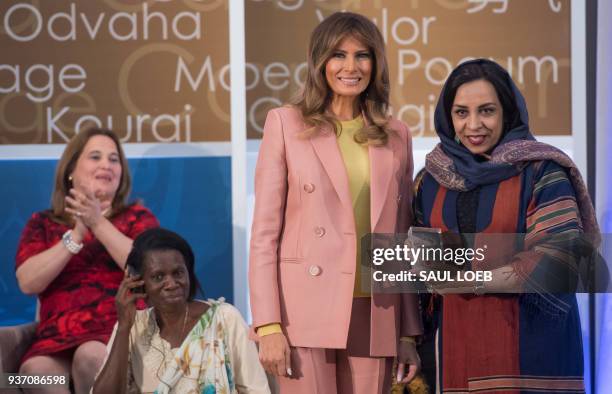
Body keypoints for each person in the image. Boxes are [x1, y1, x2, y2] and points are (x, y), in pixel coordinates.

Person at [249, 11, 422, 393]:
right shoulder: (286, 123)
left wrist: (409, 332)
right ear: (319, 62)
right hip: (303, 311)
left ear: (376, 64)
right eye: (338, 55)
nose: (351, 66)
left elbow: (402, 240)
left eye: (362, 55)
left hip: (376, 312)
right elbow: (264, 235)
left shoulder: (396, 135)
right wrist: (268, 324)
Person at [414, 58, 599, 392]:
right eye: (461, 112)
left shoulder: (542, 170)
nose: (474, 125)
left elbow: (558, 262)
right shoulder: (430, 180)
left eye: (487, 111)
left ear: (507, 111)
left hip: (532, 354)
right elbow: (419, 267)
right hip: (458, 354)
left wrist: (470, 281)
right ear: (447, 115)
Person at [15, 128, 159, 394]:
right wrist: (77, 234)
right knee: (32, 374)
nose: (106, 164)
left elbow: (151, 268)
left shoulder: (138, 218)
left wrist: (96, 222)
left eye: (114, 159)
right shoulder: (43, 223)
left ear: (121, 175)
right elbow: (27, 281)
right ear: (71, 170)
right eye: (95, 157)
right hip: (54, 341)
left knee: (90, 357)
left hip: (116, 333)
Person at [92, 228, 270, 394]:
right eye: (158, 277)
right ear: (138, 281)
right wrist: (124, 326)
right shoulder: (132, 326)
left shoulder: (224, 319)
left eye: (178, 273)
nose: (171, 284)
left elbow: (256, 389)